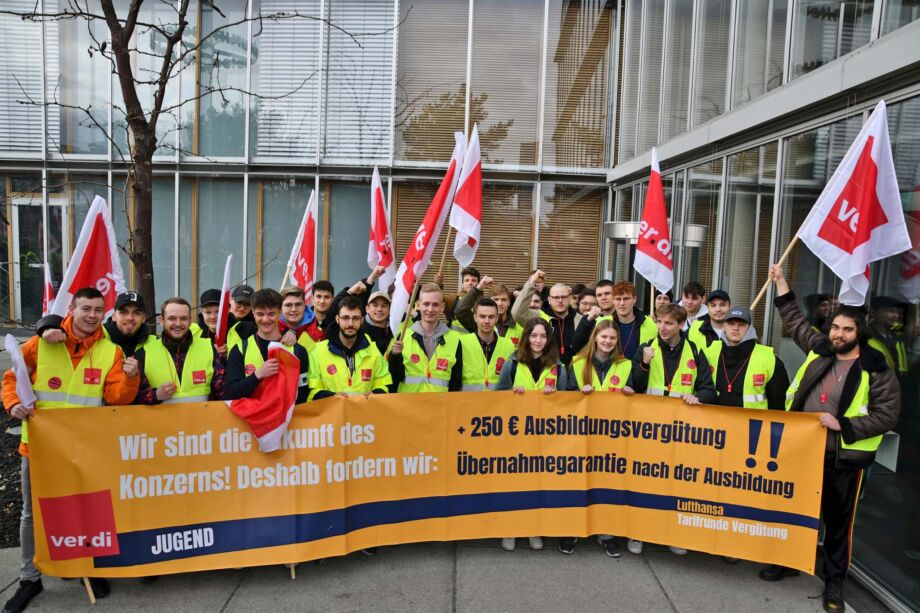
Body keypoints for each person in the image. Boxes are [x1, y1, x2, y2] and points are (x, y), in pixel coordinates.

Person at [762, 265, 900, 613]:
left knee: (837, 525)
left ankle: (834, 582)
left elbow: (887, 414)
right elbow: (794, 320)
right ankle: (788, 561)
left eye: (846, 329)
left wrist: (842, 424)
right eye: (836, 326)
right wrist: (779, 281)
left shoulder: (875, 367)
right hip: (804, 452)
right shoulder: (822, 348)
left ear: (860, 331)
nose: (838, 334)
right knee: (795, 511)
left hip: (844, 460)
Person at [2, 287, 141, 611]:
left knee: (88, 510)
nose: (92, 315)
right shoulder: (42, 343)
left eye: (97, 310)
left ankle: (86, 569)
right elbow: (11, 379)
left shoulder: (110, 352)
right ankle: (28, 579)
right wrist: (13, 405)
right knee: (32, 515)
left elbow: (118, 398)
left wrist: (132, 379)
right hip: (39, 448)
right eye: (85, 309)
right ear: (72, 310)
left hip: (85, 450)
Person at [629, 302, 716, 557]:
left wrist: (698, 397)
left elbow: (708, 389)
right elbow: (633, 385)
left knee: (676, 485)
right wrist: (643, 364)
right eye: (659, 321)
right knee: (645, 483)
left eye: (668, 323)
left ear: (680, 324)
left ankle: (673, 534)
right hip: (649, 427)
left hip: (681, 431)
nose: (663, 327)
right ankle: (639, 533)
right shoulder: (646, 347)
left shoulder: (695, 350)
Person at [559, 319, 635, 557]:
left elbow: (633, 395)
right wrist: (578, 393)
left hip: (612, 436)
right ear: (595, 338)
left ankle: (606, 534)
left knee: (607, 486)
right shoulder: (579, 362)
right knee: (577, 483)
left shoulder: (626, 365)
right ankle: (571, 531)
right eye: (604, 337)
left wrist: (629, 392)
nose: (608, 342)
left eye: (612, 338)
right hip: (582, 433)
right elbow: (567, 395)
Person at [495, 317, 567, 552]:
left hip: (546, 438)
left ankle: (534, 529)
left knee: (539, 485)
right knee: (513, 484)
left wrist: (555, 394)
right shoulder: (512, 364)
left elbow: (567, 403)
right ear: (526, 338)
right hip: (516, 436)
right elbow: (498, 397)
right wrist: (511, 393)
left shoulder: (559, 367)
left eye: (543, 336)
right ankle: (510, 529)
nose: (538, 340)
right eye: (534, 335)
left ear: (549, 339)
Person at [224, 288, 310, 404]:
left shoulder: (298, 350)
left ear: (280, 313)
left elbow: (303, 394)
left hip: (286, 420)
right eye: (260, 314)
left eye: (271, 314)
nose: (265, 319)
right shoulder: (239, 349)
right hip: (250, 419)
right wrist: (257, 375)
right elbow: (231, 393)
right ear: (253, 313)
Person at [135, 297, 225, 404]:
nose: (178, 324)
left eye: (183, 318)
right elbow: (131, 396)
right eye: (172, 318)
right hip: (160, 420)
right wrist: (155, 394)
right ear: (162, 321)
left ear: (190, 321)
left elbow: (222, 392)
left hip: (202, 419)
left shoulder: (209, 348)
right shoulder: (144, 352)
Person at [309, 295, 391, 400]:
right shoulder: (319, 351)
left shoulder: (373, 350)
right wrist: (332, 397)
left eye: (355, 318)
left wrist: (375, 393)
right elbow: (312, 390)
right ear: (337, 319)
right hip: (333, 413)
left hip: (364, 414)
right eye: (346, 318)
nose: (350, 323)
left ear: (362, 320)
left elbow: (383, 383)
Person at [388, 283, 463, 393]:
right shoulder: (403, 336)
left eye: (435, 305)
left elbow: (456, 382)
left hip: (440, 406)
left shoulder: (454, 339)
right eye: (426, 304)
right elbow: (394, 376)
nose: (430, 309)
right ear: (418, 305)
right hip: (409, 405)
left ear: (442, 307)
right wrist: (394, 356)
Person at [711, 307, 789, 411]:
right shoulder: (709, 353)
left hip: (754, 425)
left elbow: (779, 403)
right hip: (715, 425)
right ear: (724, 326)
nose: (736, 328)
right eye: (731, 324)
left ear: (749, 328)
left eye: (741, 324)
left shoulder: (769, 359)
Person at [572, 281, 656, 360]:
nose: (622, 303)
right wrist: (588, 320)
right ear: (613, 300)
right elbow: (578, 347)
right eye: (618, 299)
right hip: (610, 374)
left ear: (634, 299)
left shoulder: (651, 324)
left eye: (626, 299)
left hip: (640, 373)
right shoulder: (602, 322)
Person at [512, 271, 581, 364]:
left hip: (574, 374)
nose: (560, 301)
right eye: (556, 297)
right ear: (549, 300)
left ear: (570, 298)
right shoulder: (540, 317)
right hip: (546, 373)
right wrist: (531, 283)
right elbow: (517, 314)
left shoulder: (580, 319)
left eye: (564, 297)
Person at [458, 298, 517, 391]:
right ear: (475, 317)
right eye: (482, 316)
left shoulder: (509, 346)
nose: (487, 321)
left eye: (491, 317)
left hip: (498, 403)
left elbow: (514, 379)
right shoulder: (461, 342)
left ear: (497, 318)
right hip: (469, 403)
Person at [454, 278, 518, 341]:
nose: (500, 303)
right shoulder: (481, 322)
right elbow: (460, 311)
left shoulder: (519, 327)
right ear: (490, 301)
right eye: (496, 299)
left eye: (504, 300)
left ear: (509, 302)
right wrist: (478, 288)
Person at [867, 296, 908, 375]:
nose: (896, 315)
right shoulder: (866, 336)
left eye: (898, 312)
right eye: (891, 311)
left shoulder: (897, 337)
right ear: (873, 312)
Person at [278, 286, 324, 353]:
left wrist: (294, 333)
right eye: (288, 305)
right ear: (280, 307)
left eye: (298, 304)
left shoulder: (318, 333)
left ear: (305, 306)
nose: (294, 309)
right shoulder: (271, 329)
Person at [436, 266, 481, 333]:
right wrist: (438, 285)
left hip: (475, 342)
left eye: (473, 280)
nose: (470, 283)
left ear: (479, 284)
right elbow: (436, 299)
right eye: (467, 280)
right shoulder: (453, 299)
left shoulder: (484, 302)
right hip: (455, 342)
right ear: (462, 284)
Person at [364, 291, 394, 355]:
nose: (379, 309)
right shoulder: (360, 330)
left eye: (384, 306)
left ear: (389, 310)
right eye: (375, 305)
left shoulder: (395, 330)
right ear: (367, 309)